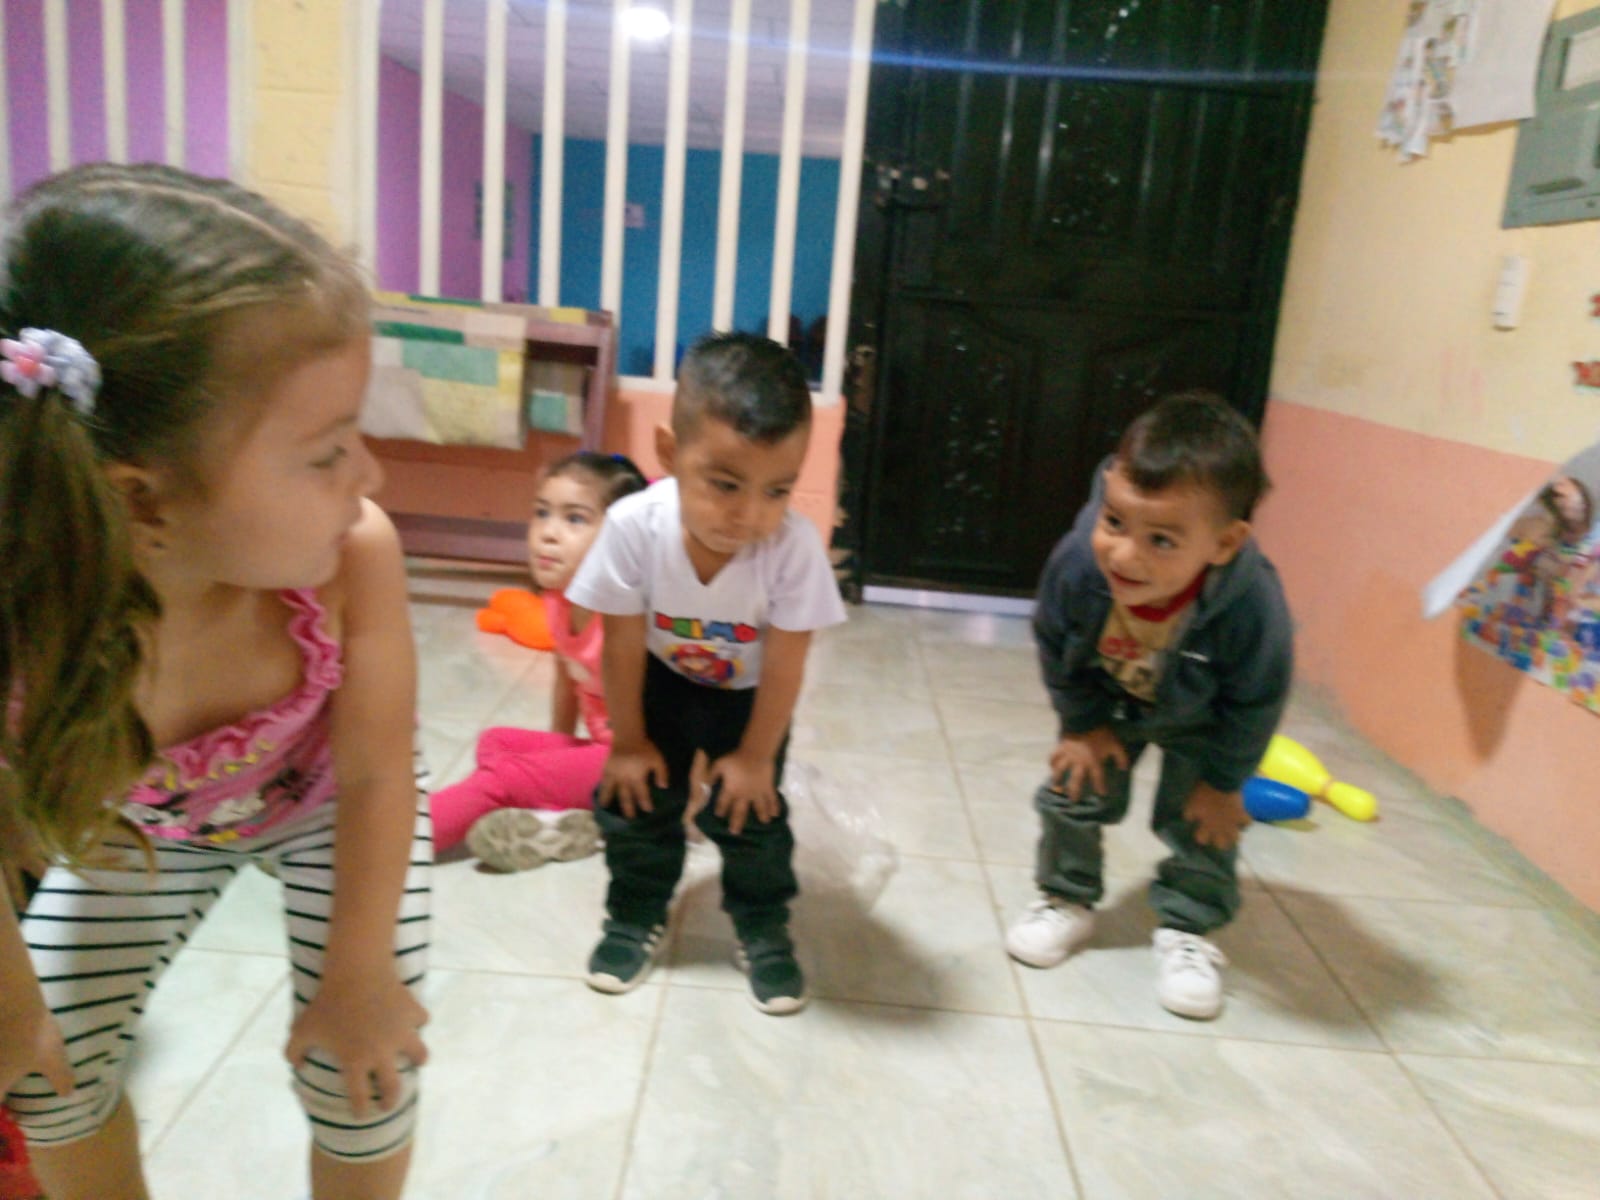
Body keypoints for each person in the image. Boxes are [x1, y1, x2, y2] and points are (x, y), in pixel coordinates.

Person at [0, 164, 430, 1200]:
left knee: (365, 1068)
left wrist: (358, 981)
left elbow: (377, 777)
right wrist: (14, 1008)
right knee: (46, 1080)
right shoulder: (26, 622)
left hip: (327, 810)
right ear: (142, 500)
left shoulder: (353, 557)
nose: (369, 477)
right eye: (327, 453)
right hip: (142, 832)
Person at [567, 331, 847, 1015]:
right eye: (724, 484)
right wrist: (628, 742)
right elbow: (621, 645)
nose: (749, 515)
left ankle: (762, 924)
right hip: (659, 683)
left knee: (751, 815)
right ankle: (634, 914)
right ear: (668, 454)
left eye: (778, 489)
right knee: (638, 802)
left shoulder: (793, 549)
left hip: (746, 700)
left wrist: (755, 756)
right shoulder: (633, 527)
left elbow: (787, 663)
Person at [1005, 391, 1292, 1021]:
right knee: (1074, 787)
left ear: (1225, 542)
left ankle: (1188, 927)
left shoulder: (1251, 605)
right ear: (1109, 487)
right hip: (1110, 701)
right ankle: (1065, 897)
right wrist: (1081, 724)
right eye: (1115, 522)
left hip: (1204, 717)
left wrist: (1224, 782)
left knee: (1205, 821)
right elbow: (1054, 636)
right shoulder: (1079, 564)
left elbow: (1258, 699)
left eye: (1161, 540)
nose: (1124, 555)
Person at [431, 451, 647, 871]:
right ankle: (559, 823)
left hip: (641, 766)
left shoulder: (626, 618)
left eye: (575, 519)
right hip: (605, 754)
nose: (548, 533)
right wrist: (556, 755)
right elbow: (567, 680)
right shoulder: (559, 599)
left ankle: (392, 839)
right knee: (496, 743)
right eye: (542, 513)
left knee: (506, 777)